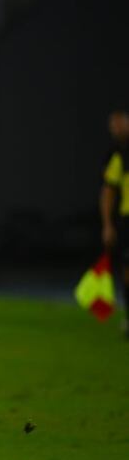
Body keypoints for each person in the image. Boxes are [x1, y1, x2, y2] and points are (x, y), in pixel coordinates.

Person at [100, 109, 129, 337]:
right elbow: (108, 190)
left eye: (120, 124)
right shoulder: (120, 155)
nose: (117, 129)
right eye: (113, 126)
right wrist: (108, 224)